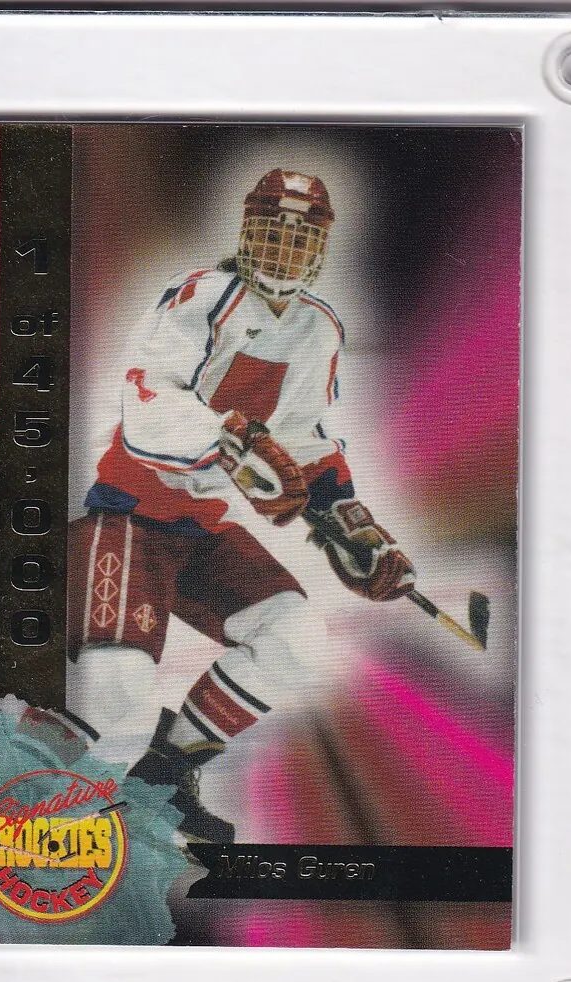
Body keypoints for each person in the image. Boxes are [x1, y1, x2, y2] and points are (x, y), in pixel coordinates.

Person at [61, 169, 415, 843]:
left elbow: (302, 438)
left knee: (296, 640)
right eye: (272, 232)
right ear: (247, 233)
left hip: (201, 530)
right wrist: (233, 439)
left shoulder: (318, 329)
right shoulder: (203, 296)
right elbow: (148, 402)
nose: (284, 250)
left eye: (300, 237)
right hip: (130, 514)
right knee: (116, 688)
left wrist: (352, 526)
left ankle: (161, 778)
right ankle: (39, 802)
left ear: (320, 248)